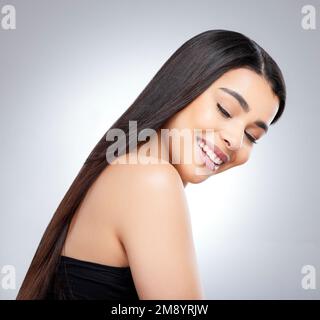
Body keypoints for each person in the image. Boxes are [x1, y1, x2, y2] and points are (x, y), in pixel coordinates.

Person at [16, 29, 286, 300]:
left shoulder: (124, 167)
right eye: (225, 110)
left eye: (253, 136)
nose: (235, 139)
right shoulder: (151, 179)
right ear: (184, 86)